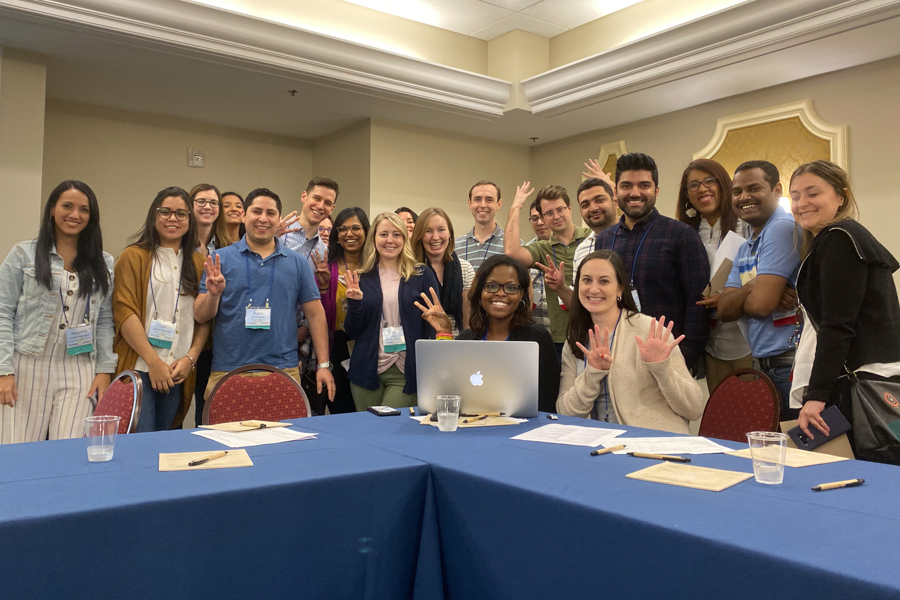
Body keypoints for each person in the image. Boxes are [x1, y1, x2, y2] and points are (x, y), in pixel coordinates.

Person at [791, 161, 900, 460]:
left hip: (856, 386)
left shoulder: (840, 238)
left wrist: (816, 397)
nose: (802, 203)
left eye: (813, 193)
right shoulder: (841, 238)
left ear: (841, 196)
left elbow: (838, 326)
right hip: (867, 379)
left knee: (857, 480)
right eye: (796, 195)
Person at [0, 181, 116, 443]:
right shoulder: (23, 254)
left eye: (83, 210)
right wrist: (4, 371)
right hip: (27, 365)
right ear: (52, 209)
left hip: (79, 368)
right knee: (19, 451)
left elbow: (105, 320)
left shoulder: (104, 262)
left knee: (70, 451)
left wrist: (104, 369)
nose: (75, 215)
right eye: (67, 206)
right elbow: (2, 313)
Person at [194, 187, 335, 403]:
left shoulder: (296, 262)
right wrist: (213, 295)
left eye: (270, 213)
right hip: (228, 370)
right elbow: (200, 316)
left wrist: (323, 365)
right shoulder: (220, 258)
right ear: (244, 215)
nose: (263, 219)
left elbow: (315, 315)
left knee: (285, 436)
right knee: (225, 437)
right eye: (256, 211)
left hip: (283, 370)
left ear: (279, 218)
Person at [557, 251, 704, 433]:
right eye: (586, 280)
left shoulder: (648, 330)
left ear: (620, 289)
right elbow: (564, 413)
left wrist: (662, 369)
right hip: (596, 443)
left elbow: (694, 408)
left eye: (604, 281)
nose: (593, 289)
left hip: (651, 442)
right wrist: (591, 376)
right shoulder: (576, 339)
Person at [587, 152, 710, 371]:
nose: (635, 193)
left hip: (667, 359)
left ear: (656, 191)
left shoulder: (681, 235)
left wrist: (685, 356)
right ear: (616, 191)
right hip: (615, 358)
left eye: (644, 185)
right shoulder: (605, 239)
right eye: (626, 186)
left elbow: (698, 302)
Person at [113, 186, 210, 431]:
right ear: (154, 215)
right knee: (140, 442)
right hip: (140, 367)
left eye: (181, 214)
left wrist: (191, 358)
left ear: (190, 219)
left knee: (166, 440)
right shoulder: (133, 256)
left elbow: (204, 319)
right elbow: (124, 312)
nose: (172, 219)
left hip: (178, 370)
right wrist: (153, 362)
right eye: (165, 212)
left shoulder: (199, 262)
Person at [718, 161, 800, 419]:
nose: (744, 197)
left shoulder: (782, 228)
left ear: (777, 189)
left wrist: (753, 294)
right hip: (764, 367)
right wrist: (755, 285)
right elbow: (724, 310)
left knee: (799, 457)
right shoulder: (745, 247)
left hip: (790, 366)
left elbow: (760, 305)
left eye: (754, 188)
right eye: (737, 191)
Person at [343, 212, 441, 410]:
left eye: (397, 234)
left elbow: (434, 325)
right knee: (368, 433)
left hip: (406, 369)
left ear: (405, 239)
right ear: (374, 238)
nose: (390, 240)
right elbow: (353, 332)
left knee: (390, 428)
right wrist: (354, 304)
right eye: (384, 234)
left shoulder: (421, 273)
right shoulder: (362, 277)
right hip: (367, 369)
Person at [675, 159, 752, 391]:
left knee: (755, 413)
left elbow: (760, 276)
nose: (702, 189)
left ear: (723, 185)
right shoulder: (685, 232)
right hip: (709, 341)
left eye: (710, 181)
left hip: (747, 336)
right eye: (694, 185)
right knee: (723, 415)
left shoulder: (745, 226)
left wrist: (729, 298)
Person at [454, 254, 560, 412]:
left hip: (523, 429)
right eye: (491, 286)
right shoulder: (465, 340)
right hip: (470, 427)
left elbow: (547, 403)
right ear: (479, 291)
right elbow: (451, 395)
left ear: (521, 295)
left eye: (511, 288)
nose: (500, 293)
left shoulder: (537, 339)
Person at [504, 183, 592, 359]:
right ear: (543, 218)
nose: (556, 216)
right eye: (549, 213)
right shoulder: (543, 249)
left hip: (594, 330)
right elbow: (512, 252)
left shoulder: (592, 237)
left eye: (560, 209)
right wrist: (515, 208)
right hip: (561, 338)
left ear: (569, 208)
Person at [305, 207, 370, 415]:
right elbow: (318, 315)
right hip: (336, 346)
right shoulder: (327, 267)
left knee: (367, 410)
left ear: (367, 232)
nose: (349, 234)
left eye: (356, 228)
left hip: (368, 346)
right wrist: (323, 287)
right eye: (342, 229)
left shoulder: (375, 268)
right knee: (341, 410)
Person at [410, 207, 475, 336]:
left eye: (441, 230)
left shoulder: (465, 269)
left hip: (457, 345)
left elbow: (468, 324)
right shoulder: (409, 271)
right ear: (419, 236)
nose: (435, 237)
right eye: (428, 231)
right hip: (420, 344)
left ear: (450, 233)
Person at [279, 177, 339, 267]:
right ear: (304, 197)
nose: (320, 206)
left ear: (332, 209)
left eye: (327, 203)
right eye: (317, 198)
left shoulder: (323, 251)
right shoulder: (278, 233)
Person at [455, 180, 513, 271]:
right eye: (477, 199)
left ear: (498, 204)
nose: (482, 205)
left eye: (489, 200)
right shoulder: (455, 247)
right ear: (470, 204)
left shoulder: (513, 246)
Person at [571, 164, 619, 269]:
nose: (593, 208)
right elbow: (579, 286)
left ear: (615, 201)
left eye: (599, 200)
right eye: (585, 205)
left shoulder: (634, 237)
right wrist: (561, 286)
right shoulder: (581, 250)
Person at [524, 201, 551, 332]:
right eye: (535, 218)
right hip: (533, 331)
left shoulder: (571, 249)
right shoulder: (525, 252)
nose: (539, 222)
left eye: (543, 216)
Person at [190, 184, 223, 256]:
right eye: (201, 201)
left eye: (213, 203)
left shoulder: (226, 245)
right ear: (190, 205)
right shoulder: (180, 243)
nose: (207, 207)